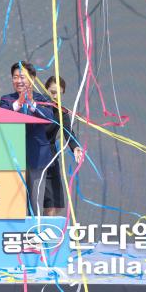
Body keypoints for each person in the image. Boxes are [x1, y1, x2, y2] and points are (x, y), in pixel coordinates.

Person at [0, 61, 54, 215]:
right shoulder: (6, 100)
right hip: (13, 158)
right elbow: (2, 117)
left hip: (37, 156)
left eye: (22, 77)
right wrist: (19, 103)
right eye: (15, 77)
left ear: (32, 79)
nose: (18, 81)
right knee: (14, 201)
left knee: (35, 201)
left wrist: (33, 105)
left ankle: (35, 228)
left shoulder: (43, 99)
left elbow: (50, 117)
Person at [43, 76, 84, 217]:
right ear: (45, 89)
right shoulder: (33, 106)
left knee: (54, 202)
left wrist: (75, 147)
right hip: (30, 156)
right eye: (52, 92)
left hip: (50, 157)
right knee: (29, 198)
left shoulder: (61, 112)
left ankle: (47, 228)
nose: (55, 96)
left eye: (59, 94)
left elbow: (69, 132)